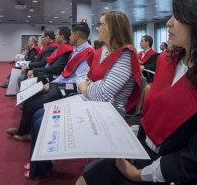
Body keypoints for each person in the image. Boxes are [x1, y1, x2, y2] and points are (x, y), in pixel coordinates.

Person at [76, 0, 197, 185]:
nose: (168, 22)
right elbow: (148, 113)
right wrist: (129, 142)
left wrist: (137, 175)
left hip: (170, 169)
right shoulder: (168, 61)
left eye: (178, 16)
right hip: (143, 148)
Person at [25, 11, 141, 180]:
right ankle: (41, 163)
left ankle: (40, 167)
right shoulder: (102, 51)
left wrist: (88, 85)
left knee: (42, 121)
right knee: (38, 116)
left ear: (113, 28)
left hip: (108, 112)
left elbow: (102, 94)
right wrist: (87, 85)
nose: (97, 28)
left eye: (101, 24)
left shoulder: (125, 55)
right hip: (87, 101)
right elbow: (82, 77)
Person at [7, 26, 82, 142]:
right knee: (28, 96)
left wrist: (42, 76)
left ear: (62, 37)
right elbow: (56, 69)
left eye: (57, 34)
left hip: (61, 85)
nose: (55, 36)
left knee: (30, 99)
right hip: (56, 80)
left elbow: (58, 69)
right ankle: (24, 129)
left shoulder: (69, 50)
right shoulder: (69, 50)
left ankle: (25, 131)